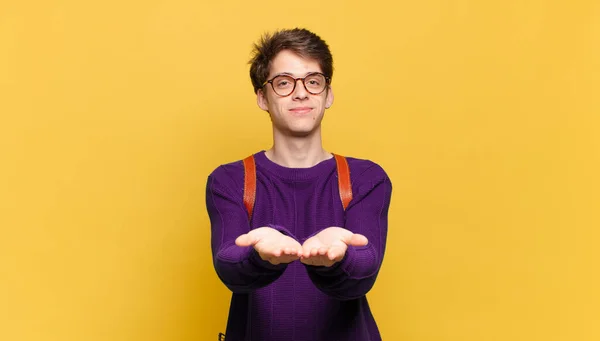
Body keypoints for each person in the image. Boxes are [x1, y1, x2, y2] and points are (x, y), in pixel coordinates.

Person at [205, 28, 392, 341]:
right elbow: (229, 266)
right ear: (262, 98)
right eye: (284, 83)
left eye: (313, 81)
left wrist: (338, 256)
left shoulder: (366, 179)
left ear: (328, 94)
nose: (301, 93)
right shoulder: (230, 180)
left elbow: (363, 272)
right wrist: (259, 254)